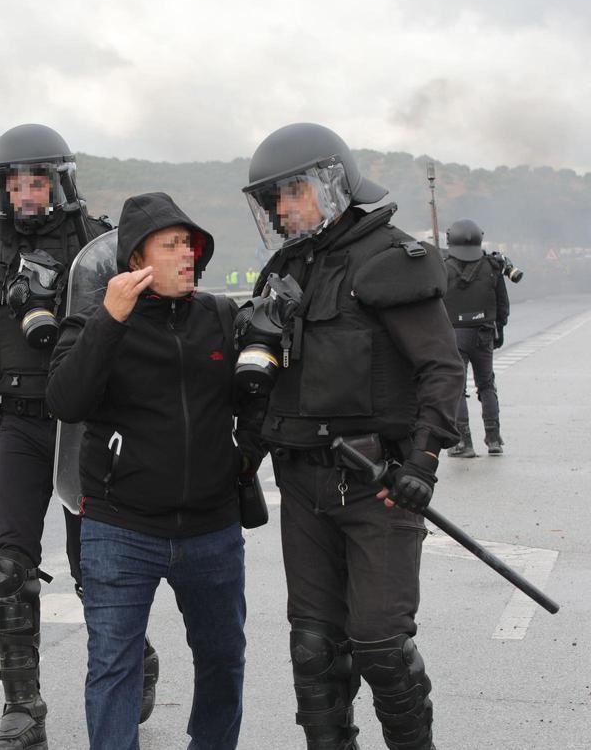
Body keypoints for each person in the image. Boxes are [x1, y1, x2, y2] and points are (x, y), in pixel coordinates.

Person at [0, 123, 158, 749]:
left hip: (83, 424)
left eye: (37, 180)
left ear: (60, 181)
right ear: (2, 189)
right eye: (15, 182)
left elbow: (136, 327)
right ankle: (23, 706)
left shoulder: (98, 246)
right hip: (22, 423)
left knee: (96, 569)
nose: (27, 193)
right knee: (8, 566)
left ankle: (138, 663)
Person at [235, 123, 463, 750]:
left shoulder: (391, 260)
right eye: (273, 200)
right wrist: (238, 463)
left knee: (381, 646)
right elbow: (266, 384)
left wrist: (422, 462)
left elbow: (441, 368)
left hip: (377, 485)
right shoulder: (283, 271)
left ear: (332, 183)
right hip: (301, 485)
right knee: (313, 650)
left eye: (293, 193)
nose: (282, 210)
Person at [48, 192, 251, 750]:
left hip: (212, 527)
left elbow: (261, 403)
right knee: (114, 667)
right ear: (136, 260)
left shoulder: (221, 316)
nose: (187, 254)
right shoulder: (93, 322)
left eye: (190, 244)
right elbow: (67, 401)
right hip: (121, 527)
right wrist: (109, 321)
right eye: (171, 245)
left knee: (223, 659)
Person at [442, 219, 510, 457]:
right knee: (487, 384)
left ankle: (463, 443)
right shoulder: (493, 266)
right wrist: (498, 330)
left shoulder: (443, 267)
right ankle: (493, 440)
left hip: (454, 335)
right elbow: (503, 305)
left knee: (457, 389)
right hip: (484, 333)